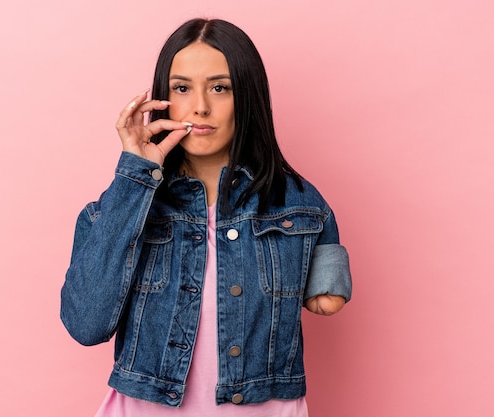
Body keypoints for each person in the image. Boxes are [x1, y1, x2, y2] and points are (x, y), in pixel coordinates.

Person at [60, 18, 352, 417]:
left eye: (220, 87)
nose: (200, 106)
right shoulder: (123, 202)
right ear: (163, 99)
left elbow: (327, 295)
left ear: (246, 96)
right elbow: (86, 324)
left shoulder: (299, 205)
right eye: (182, 88)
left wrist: (328, 292)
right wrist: (135, 174)